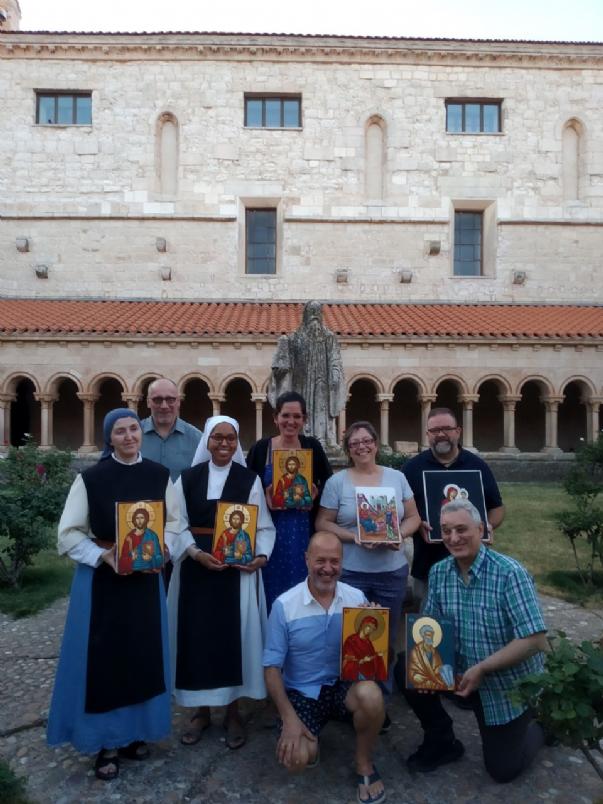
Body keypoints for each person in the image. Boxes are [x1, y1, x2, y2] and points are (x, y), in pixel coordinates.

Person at [47, 408, 179, 781]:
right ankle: (106, 741)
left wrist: (164, 548)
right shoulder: (91, 479)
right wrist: (103, 555)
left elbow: (174, 522)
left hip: (145, 582)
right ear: (109, 438)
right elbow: (69, 533)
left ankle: (135, 733)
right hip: (103, 582)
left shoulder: (158, 475)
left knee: (142, 654)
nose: (128, 436)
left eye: (133, 429)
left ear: (142, 432)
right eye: (119, 431)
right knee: (106, 659)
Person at [400, 499, 547, 783]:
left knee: (503, 769)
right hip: (460, 673)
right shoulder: (440, 572)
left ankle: (543, 724)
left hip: (504, 683)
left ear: (481, 529)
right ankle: (442, 739)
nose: (453, 538)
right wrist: (427, 672)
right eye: (446, 531)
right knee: (406, 668)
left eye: (461, 529)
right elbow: (430, 629)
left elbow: (534, 640)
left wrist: (483, 669)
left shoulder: (510, 574)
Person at [167, 415, 275, 750]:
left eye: (230, 438)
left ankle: (231, 712)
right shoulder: (186, 479)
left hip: (235, 574)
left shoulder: (249, 480)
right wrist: (195, 554)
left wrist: (260, 556)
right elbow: (175, 524)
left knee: (233, 640)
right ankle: (200, 712)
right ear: (207, 441)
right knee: (195, 639)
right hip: (195, 572)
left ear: (237, 442)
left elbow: (264, 528)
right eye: (218, 438)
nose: (224, 444)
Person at [264, 532, 387, 804]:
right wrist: (289, 719)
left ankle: (364, 763)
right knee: (295, 760)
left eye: (334, 561)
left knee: (372, 695)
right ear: (307, 560)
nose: (328, 569)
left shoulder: (356, 598)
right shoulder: (285, 605)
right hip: (303, 694)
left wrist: (375, 623)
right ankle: (311, 739)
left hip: (344, 687)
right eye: (320, 560)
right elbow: (271, 668)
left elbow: (372, 659)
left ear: (342, 563)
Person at [315, 421, 420, 697]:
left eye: (366, 441)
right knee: (351, 639)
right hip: (351, 572)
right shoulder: (337, 482)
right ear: (348, 450)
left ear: (375, 443)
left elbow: (414, 517)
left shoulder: (396, 478)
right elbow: (323, 522)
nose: (361, 446)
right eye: (354, 443)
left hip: (391, 571)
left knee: (384, 639)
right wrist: (354, 537)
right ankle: (351, 698)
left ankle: (381, 699)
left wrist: (399, 534)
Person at [403, 407, 505, 604]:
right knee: (429, 626)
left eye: (447, 429)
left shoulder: (477, 466)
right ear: (427, 435)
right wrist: (417, 525)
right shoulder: (412, 468)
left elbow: (497, 508)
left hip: (473, 563)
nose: (441, 434)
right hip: (429, 565)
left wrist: (487, 525)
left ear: (458, 431)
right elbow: (401, 512)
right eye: (434, 430)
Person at [247, 391, 332, 613]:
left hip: (302, 532)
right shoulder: (261, 449)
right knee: (269, 588)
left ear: (304, 419)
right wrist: (263, 497)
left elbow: (329, 484)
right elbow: (246, 488)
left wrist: (315, 494)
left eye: (297, 416)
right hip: (269, 532)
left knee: (301, 587)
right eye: (286, 415)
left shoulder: (311, 446)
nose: (291, 422)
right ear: (275, 418)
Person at [268, 300, 346, 447]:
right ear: (306, 316)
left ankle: (322, 439)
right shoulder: (295, 338)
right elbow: (283, 363)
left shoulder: (329, 337)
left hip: (322, 381)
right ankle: (300, 438)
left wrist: (335, 373)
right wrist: (280, 371)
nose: (314, 317)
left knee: (321, 408)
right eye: (311, 313)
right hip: (300, 382)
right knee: (299, 409)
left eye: (317, 313)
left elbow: (335, 358)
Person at [140, 377, 202, 482]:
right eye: (157, 400)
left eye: (170, 399)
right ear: (148, 402)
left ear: (178, 402)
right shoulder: (133, 436)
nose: (164, 406)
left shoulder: (197, 438)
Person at [342, 615, 387, 682]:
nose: (370, 630)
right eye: (369, 626)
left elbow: (371, 656)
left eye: (373, 629)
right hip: (357, 673)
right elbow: (347, 658)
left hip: (369, 674)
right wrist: (362, 660)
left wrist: (378, 655)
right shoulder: (351, 640)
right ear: (363, 624)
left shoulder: (368, 642)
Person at [407, 623, 449, 691]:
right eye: (428, 635)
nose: (430, 637)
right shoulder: (415, 651)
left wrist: (439, 671)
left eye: (432, 635)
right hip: (421, 683)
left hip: (435, 682)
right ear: (423, 636)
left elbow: (439, 666)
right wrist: (414, 676)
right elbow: (412, 668)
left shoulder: (434, 651)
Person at [120, 507, 163, 573]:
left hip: (149, 571)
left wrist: (152, 558)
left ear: (146, 519)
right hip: (132, 572)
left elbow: (158, 556)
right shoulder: (129, 537)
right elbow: (122, 559)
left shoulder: (152, 535)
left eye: (142, 518)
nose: (139, 521)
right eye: (137, 518)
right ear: (134, 520)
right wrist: (131, 558)